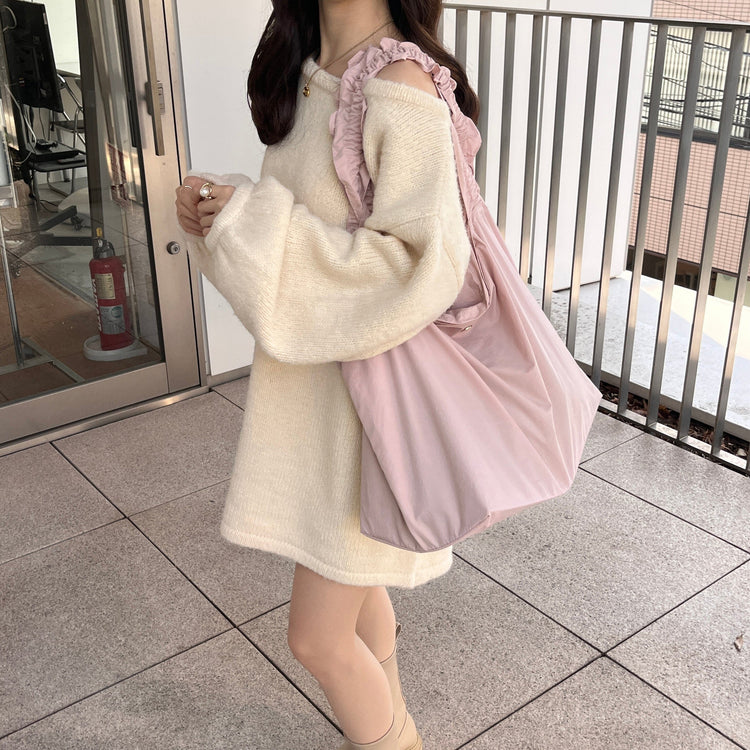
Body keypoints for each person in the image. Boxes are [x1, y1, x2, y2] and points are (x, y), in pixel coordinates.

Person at [175, 0, 479, 747]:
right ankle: (390, 722)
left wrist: (252, 223)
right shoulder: (314, 69)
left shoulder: (400, 85)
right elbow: (305, 228)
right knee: (356, 588)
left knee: (315, 638)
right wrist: (226, 218)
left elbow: (421, 266)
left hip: (366, 420)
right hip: (323, 403)